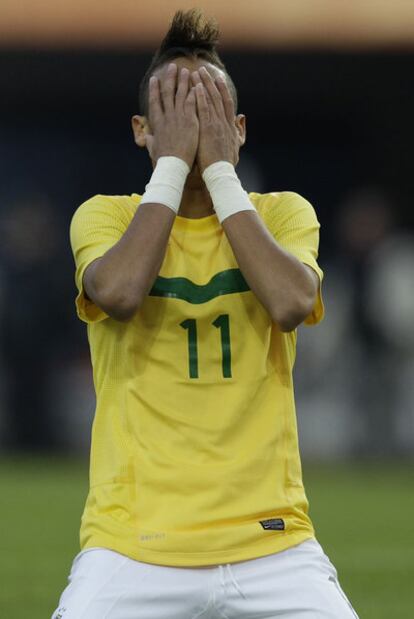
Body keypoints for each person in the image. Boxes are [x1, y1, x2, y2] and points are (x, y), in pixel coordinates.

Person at [52, 9, 359, 619]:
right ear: (143, 129)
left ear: (238, 129)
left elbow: (292, 302)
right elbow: (117, 293)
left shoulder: (283, 214)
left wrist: (218, 170)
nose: (194, 121)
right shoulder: (105, 216)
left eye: (209, 106)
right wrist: (174, 166)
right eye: (176, 106)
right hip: (133, 543)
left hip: (273, 544)